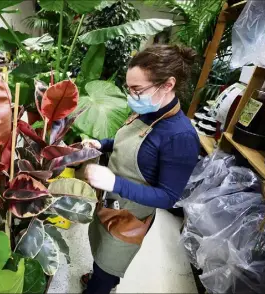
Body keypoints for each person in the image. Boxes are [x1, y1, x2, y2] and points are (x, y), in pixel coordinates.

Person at [80, 44, 200, 294]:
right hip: (110, 203)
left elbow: (168, 197)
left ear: (167, 85)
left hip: (130, 216)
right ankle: (99, 279)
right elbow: (126, 142)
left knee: (110, 264)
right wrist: (101, 145)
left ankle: (100, 286)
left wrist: (115, 184)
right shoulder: (146, 111)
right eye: (129, 89)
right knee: (100, 251)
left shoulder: (180, 137)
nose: (132, 96)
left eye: (138, 89)